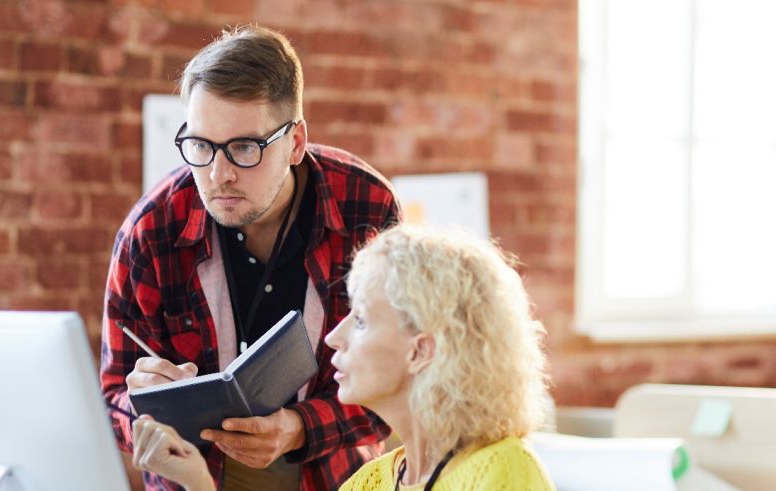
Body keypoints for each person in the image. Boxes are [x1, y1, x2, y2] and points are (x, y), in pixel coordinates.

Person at [101, 25, 400, 491]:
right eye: (200, 146)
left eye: (244, 148)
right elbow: (112, 396)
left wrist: (299, 428)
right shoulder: (152, 231)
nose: (218, 175)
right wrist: (143, 404)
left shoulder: (366, 208)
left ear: (295, 143)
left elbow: (399, 381)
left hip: (331, 477)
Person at [130, 224, 556, 490]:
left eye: (364, 320)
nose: (334, 337)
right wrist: (195, 481)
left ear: (420, 350)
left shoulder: (502, 473)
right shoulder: (374, 481)